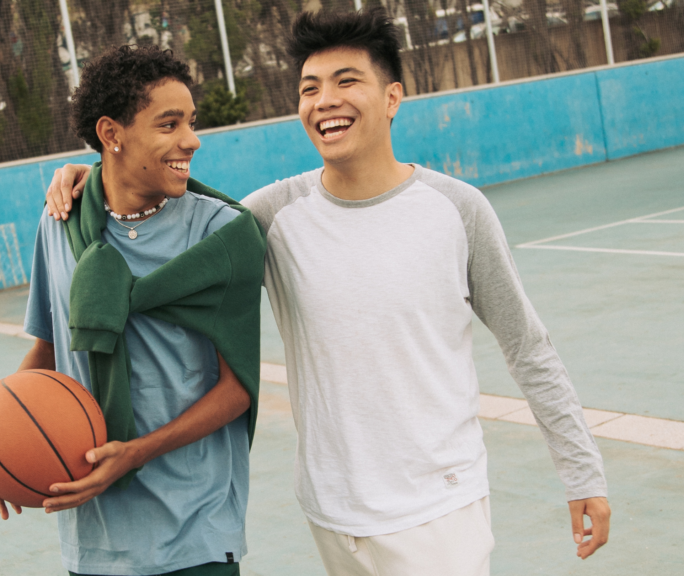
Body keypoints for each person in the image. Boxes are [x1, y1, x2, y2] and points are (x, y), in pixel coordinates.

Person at [44, 9, 611, 575]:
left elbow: (528, 347)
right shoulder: (269, 216)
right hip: (332, 515)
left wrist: (582, 472)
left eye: (347, 82)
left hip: (438, 509)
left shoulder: (457, 209)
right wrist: (91, 176)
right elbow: (166, 203)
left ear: (392, 98)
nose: (324, 101)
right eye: (309, 88)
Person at [0, 45, 266, 576]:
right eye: (169, 124)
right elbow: (49, 348)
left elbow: (237, 387)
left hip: (194, 528)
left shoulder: (221, 235)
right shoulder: (59, 223)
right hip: (95, 535)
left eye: (191, 122)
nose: (191, 140)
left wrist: (135, 452)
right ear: (111, 134)